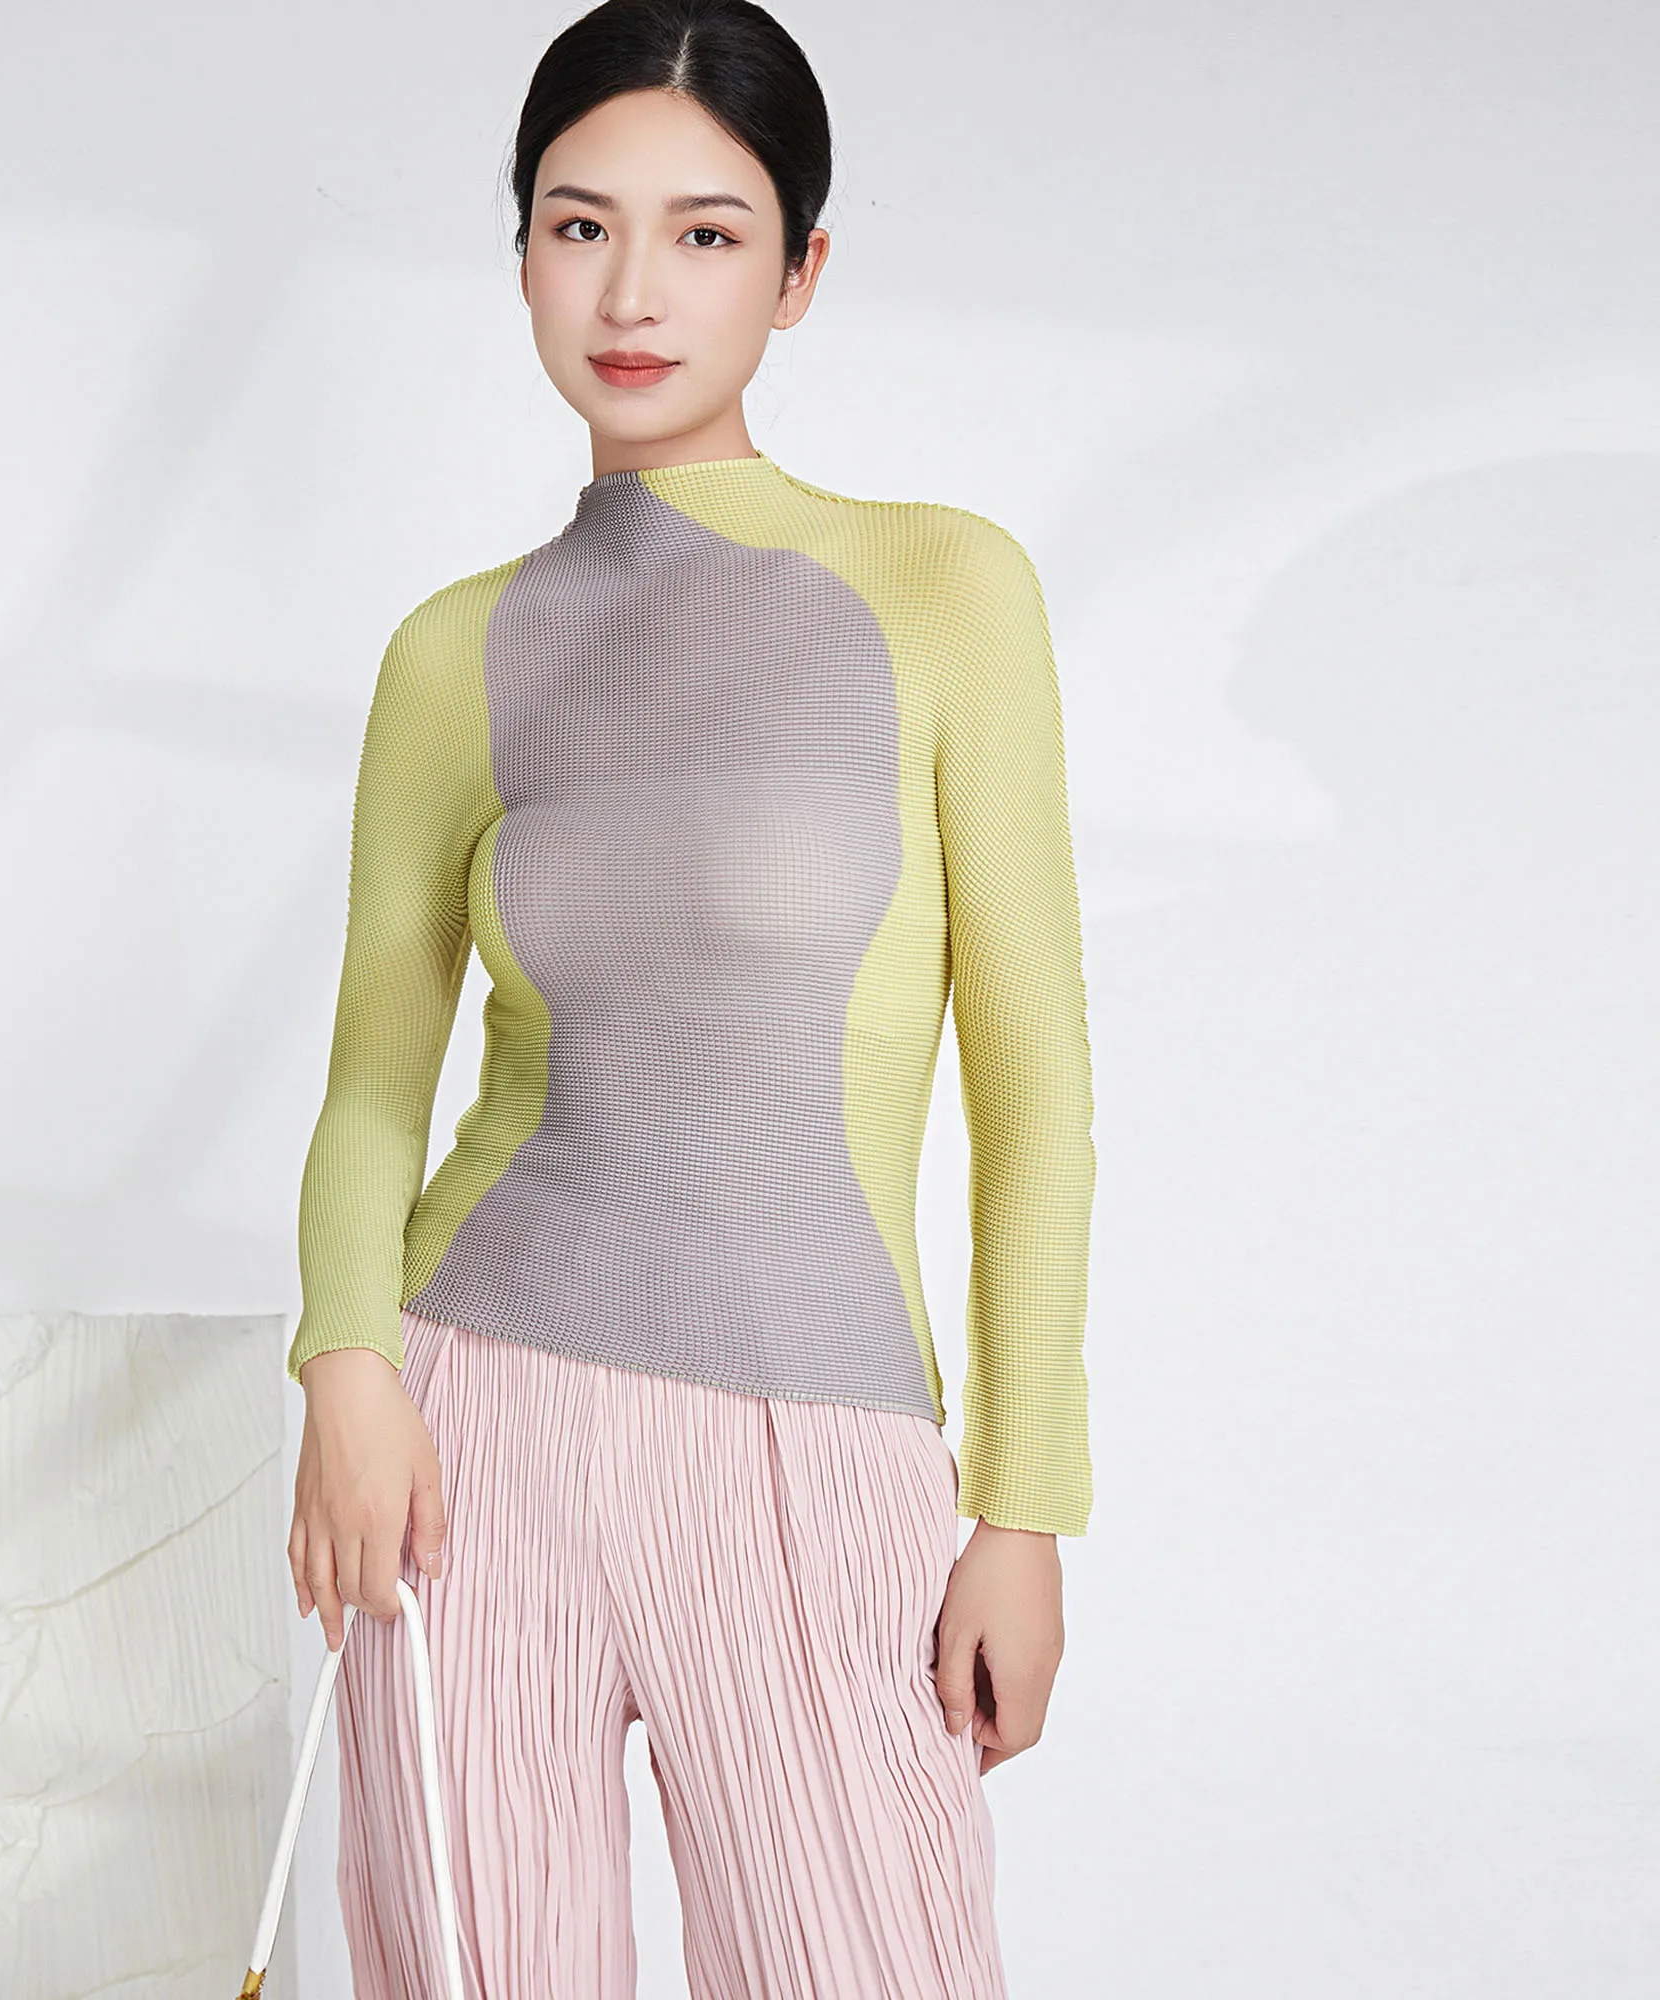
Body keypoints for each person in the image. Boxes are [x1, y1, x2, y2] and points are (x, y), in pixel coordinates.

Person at [284, 2, 1095, 1993]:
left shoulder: (943, 587)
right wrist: (348, 1371)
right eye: (579, 227)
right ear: (523, 257)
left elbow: (1036, 1092)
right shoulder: (455, 649)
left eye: (706, 234)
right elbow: (377, 1081)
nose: (632, 292)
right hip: (467, 1431)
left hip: (813, 1438)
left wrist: (1022, 1508)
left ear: (799, 272)